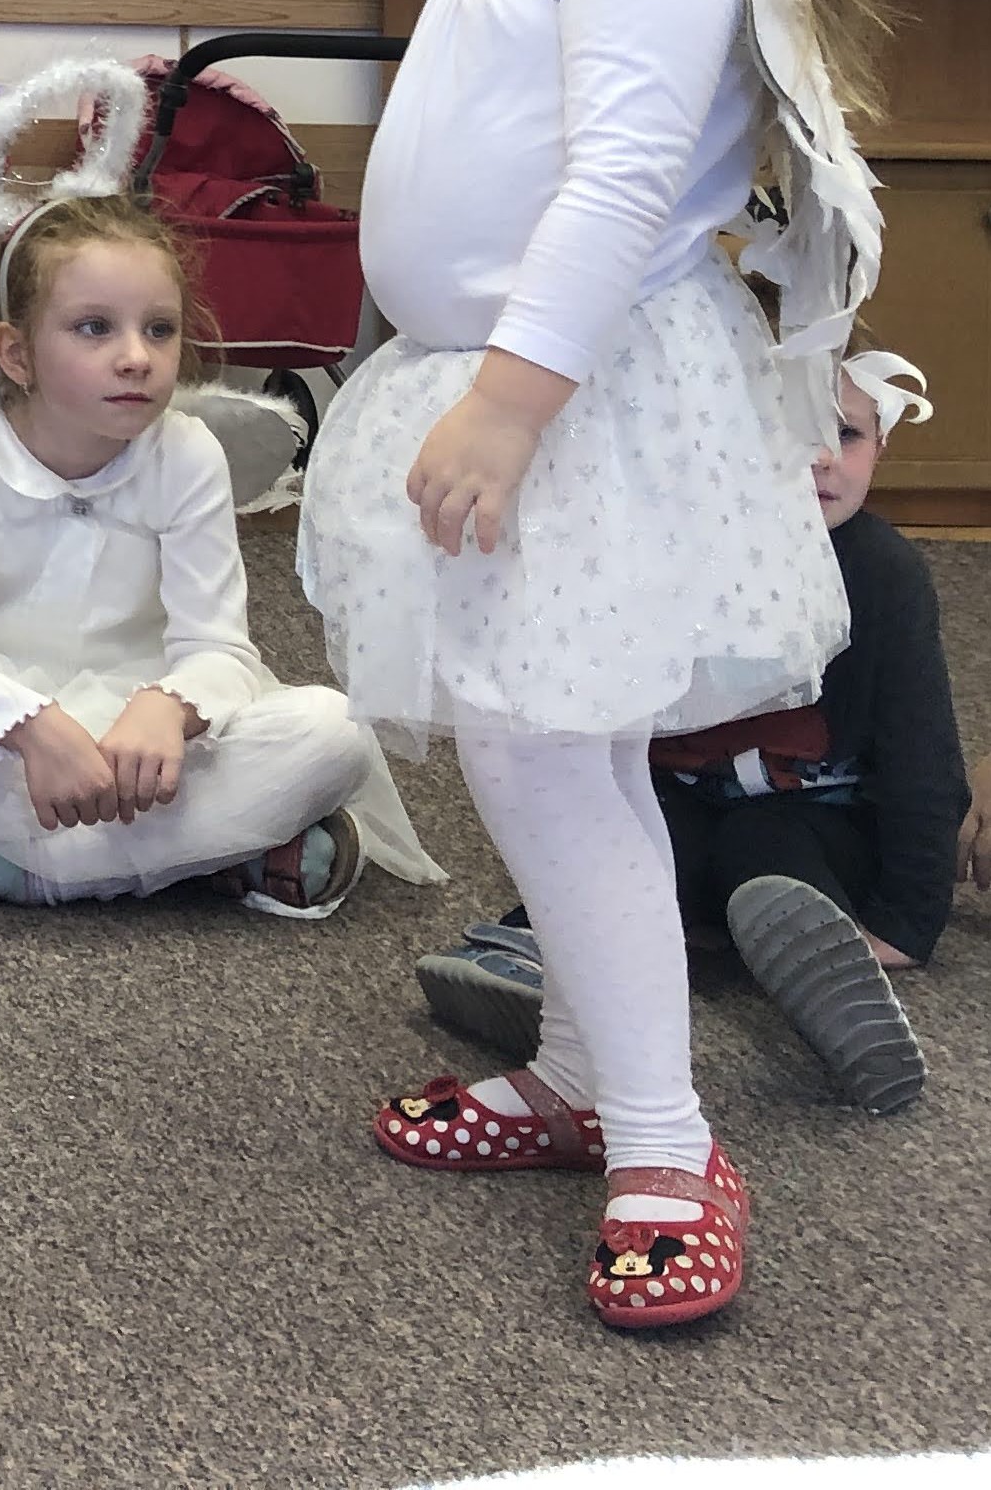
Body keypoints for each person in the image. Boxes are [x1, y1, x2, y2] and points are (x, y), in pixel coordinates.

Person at [307, 0, 892, 1332]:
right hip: (524, 382)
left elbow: (626, 186)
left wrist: (503, 403)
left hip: (563, 401)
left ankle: (662, 1140)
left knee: (555, 760)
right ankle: (575, 1068)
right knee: (546, 745)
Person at [0, 112, 397, 913]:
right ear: (17, 354)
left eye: (159, 329)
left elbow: (218, 647)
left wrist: (169, 708)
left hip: (131, 730)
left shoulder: (186, 453)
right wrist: (30, 727)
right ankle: (206, 858)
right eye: (93, 329)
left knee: (335, 731)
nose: (136, 357)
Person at [413, 352, 969, 1114]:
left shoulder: (882, 572)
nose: (818, 457)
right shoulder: (681, 549)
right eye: (787, 429)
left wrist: (907, 916)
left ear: (881, 447)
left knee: (765, 852)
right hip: (680, 798)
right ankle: (535, 958)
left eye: (844, 435)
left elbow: (920, 753)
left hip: (814, 820)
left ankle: (826, 976)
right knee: (633, 848)